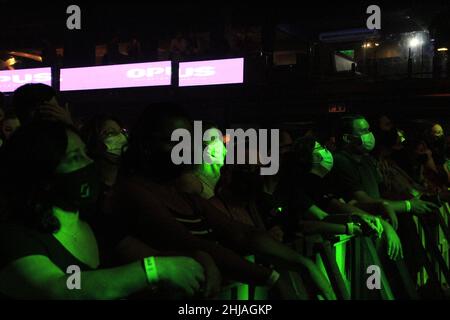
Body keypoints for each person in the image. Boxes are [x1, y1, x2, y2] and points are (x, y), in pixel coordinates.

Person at [112, 103, 336, 300]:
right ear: (146, 145)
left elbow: (242, 233)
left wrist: (303, 265)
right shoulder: (133, 191)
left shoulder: (182, 195)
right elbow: (187, 242)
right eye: (176, 141)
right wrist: (272, 279)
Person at [0, 121, 210, 299]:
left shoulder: (96, 222)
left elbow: (152, 256)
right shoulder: (16, 236)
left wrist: (198, 259)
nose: (89, 163)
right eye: (74, 158)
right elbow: (60, 287)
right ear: (41, 174)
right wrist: (152, 270)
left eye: (85, 153)